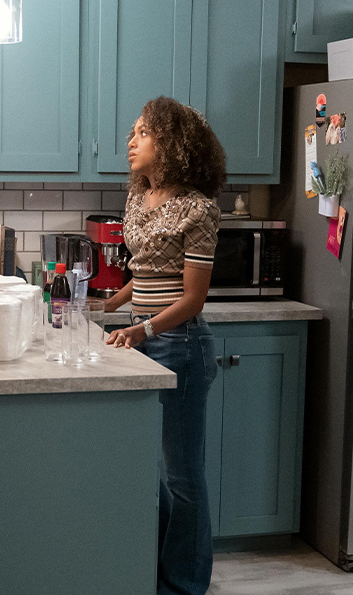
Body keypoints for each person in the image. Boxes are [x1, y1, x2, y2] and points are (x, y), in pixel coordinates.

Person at [104, 96, 224, 595]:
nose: (131, 142)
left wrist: (142, 329)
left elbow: (192, 298)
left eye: (143, 134)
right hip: (142, 339)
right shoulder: (137, 198)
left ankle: (186, 584)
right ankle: (155, 568)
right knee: (141, 462)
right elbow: (149, 271)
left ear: (171, 143)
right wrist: (112, 305)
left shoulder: (198, 209)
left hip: (180, 345)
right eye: (132, 132)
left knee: (182, 474)